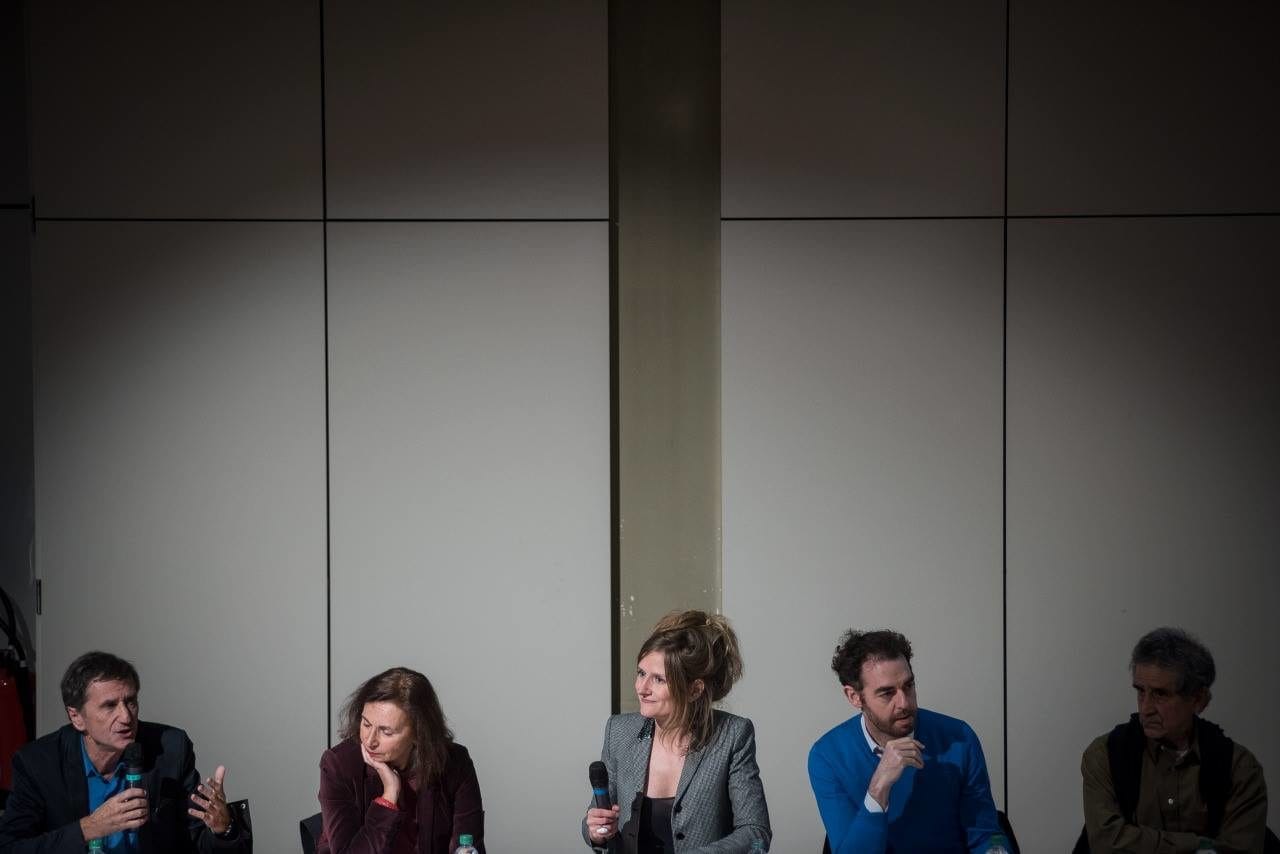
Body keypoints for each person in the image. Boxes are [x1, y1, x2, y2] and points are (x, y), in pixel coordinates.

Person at [0, 650, 248, 853]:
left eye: (131, 702)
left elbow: (194, 842)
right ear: (76, 717)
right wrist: (89, 828)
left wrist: (223, 829)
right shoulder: (37, 763)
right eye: (109, 706)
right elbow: (11, 847)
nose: (126, 716)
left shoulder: (171, 748)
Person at [582, 610, 771, 853]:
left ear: (694, 690)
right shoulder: (619, 731)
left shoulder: (733, 735)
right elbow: (595, 824)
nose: (642, 688)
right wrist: (596, 831)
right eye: (641, 673)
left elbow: (757, 835)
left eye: (659, 679)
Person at [1077, 627, 1270, 853]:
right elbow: (1106, 844)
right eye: (1140, 691)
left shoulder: (1239, 769)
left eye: (1160, 694)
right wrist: (1199, 846)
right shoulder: (1105, 756)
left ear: (1198, 700)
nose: (1146, 709)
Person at [808, 629, 1001, 853]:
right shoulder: (828, 756)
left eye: (908, 686)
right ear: (854, 696)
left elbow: (984, 834)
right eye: (887, 693)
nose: (904, 703)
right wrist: (879, 787)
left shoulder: (959, 737)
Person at [316, 667, 484, 854]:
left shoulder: (455, 762)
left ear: (418, 734)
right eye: (366, 724)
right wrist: (389, 796)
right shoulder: (339, 766)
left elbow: (467, 846)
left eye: (386, 731)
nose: (370, 740)